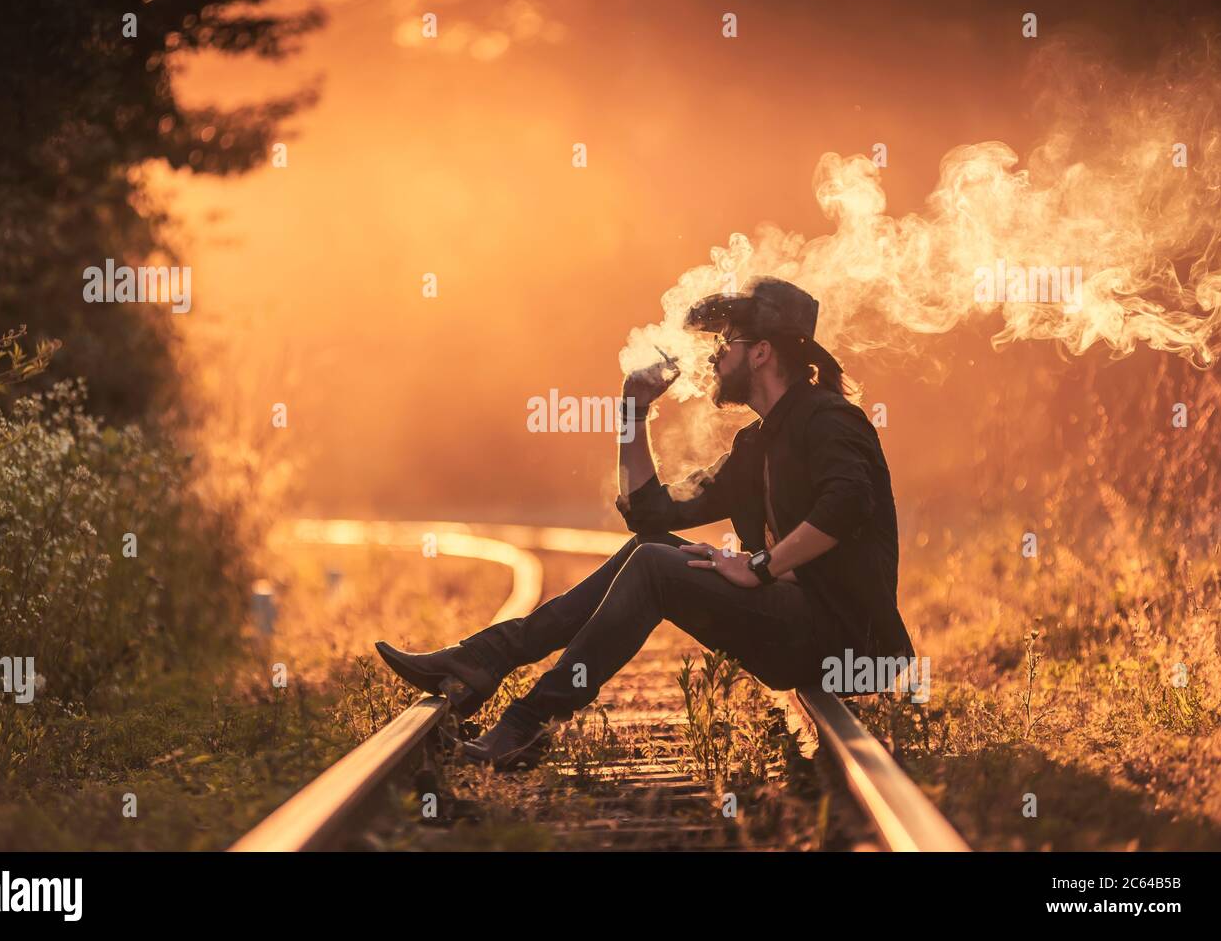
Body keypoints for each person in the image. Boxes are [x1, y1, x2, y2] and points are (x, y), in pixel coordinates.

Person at [376, 277, 914, 770]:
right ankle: (485, 661)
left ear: (761, 354)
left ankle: (524, 725)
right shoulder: (760, 443)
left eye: (724, 344)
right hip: (801, 628)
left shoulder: (828, 419)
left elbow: (847, 505)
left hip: (846, 642)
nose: (713, 357)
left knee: (656, 565)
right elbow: (651, 513)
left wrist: (761, 567)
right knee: (650, 548)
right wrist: (633, 410)